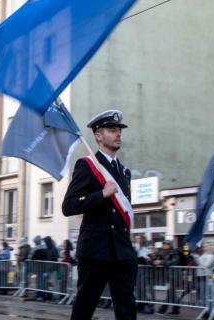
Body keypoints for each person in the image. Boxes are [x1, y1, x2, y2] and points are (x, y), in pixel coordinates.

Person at [62, 110, 137, 320]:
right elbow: (68, 206)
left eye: (119, 130)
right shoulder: (87, 166)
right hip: (95, 251)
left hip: (121, 252)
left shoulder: (124, 173)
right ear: (98, 136)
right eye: (112, 130)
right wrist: (101, 194)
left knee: (127, 309)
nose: (118, 134)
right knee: (85, 307)